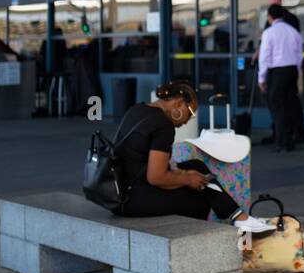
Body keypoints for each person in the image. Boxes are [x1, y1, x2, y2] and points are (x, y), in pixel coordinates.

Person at [113, 80, 273, 232]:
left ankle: (239, 217)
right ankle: (197, 242)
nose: (187, 121)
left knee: (196, 167)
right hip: (133, 199)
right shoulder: (163, 125)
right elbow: (156, 177)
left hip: (122, 188)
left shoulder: (138, 109)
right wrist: (187, 179)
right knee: (199, 198)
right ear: (178, 104)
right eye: (190, 113)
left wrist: (185, 173)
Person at [257, 4, 304, 153]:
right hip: (292, 70)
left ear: (270, 17)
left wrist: (261, 78)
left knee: (278, 107)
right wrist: (297, 71)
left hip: (277, 72)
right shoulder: (293, 32)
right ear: (283, 16)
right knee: (290, 105)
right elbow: (299, 55)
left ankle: (282, 142)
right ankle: (290, 140)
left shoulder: (269, 33)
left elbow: (264, 56)